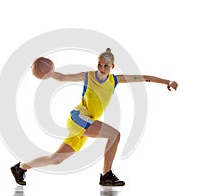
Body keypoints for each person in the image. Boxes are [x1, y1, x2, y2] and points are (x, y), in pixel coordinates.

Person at [11, 48, 178, 186]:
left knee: (56, 159)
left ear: (112, 66)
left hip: (85, 123)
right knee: (115, 135)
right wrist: (50, 73)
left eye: (106, 65)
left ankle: (21, 167)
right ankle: (106, 175)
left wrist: (167, 82)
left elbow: (144, 78)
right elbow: (63, 78)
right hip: (78, 118)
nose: (102, 68)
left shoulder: (115, 80)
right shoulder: (88, 76)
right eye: (99, 64)